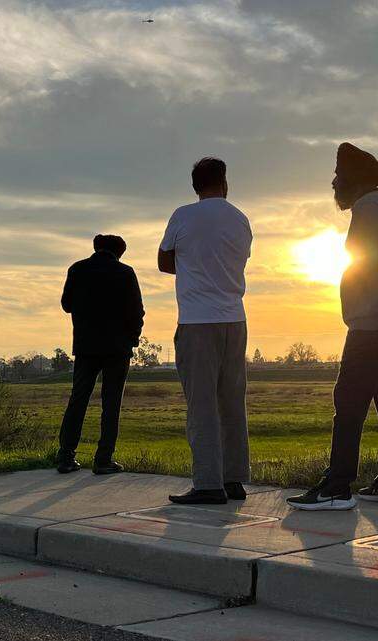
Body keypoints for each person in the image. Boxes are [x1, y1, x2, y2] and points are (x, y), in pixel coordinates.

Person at [287, 142, 378, 511]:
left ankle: (336, 487)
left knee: (350, 401)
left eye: (338, 177)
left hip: (374, 323)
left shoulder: (368, 209)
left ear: (353, 180)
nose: (333, 183)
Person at [158, 157, 253, 504]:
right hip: (235, 318)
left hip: (197, 320)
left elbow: (163, 261)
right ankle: (234, 479)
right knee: (232, 401)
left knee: (202, 404)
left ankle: (208, 482)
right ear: (225, 183)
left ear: (195, 186)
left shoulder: (183, 216)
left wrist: (190, 266)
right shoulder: (240, 219)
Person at [56, 234, 145, 475]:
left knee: (78, 400)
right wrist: (132, 338)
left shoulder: (77, 269)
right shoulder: (126, 273)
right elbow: (137, 311)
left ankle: (65, 456)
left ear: (96, 248)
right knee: (111, 403)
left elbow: (66, 305)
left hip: (86, 346)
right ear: (120, 252)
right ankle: (103, 459)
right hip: (117, 348)